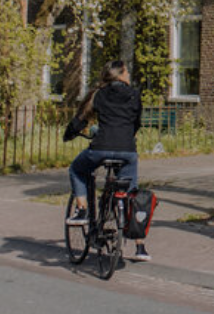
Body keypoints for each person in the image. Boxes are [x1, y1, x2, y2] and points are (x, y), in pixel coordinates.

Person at [65, 60, 151, 262]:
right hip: (127, 151)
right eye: (127, 72)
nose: (129, 75)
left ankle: (82, 211)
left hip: (101, 148)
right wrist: (127, 139)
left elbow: (80, 120)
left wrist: (69, 134)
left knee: (77, 169)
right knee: (131, 193)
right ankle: (140, 247)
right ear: (120, 74)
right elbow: (136, 122)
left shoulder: (98, 94)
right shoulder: (134, 95)